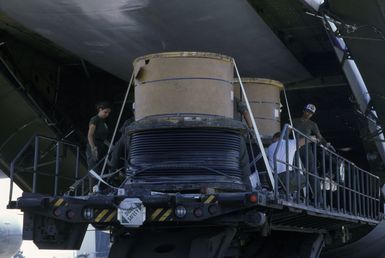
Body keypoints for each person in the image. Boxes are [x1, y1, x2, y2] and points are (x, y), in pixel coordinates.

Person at [86, 101, 112, 174]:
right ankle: (93, 185)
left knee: (102, 169)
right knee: (94, 169)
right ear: (100, 110)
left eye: (108, 113)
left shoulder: (103, 122)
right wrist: (93, 147)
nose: (107, 115)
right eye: (105, 112)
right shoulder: (95, 119)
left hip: (101, 146)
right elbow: (90, 135)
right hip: (94, 146)